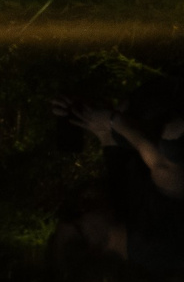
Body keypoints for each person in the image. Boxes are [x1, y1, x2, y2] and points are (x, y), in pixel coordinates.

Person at [52, 96, 184, 271]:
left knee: (128, 113)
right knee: (171, 137)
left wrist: (79, 115)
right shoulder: (149, 246)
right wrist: (115, 121)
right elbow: (167, 171)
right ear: (94, 246)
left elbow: (107, 137)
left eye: (69, 211)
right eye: (76, 218)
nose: (81, 207)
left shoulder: (118, 210)